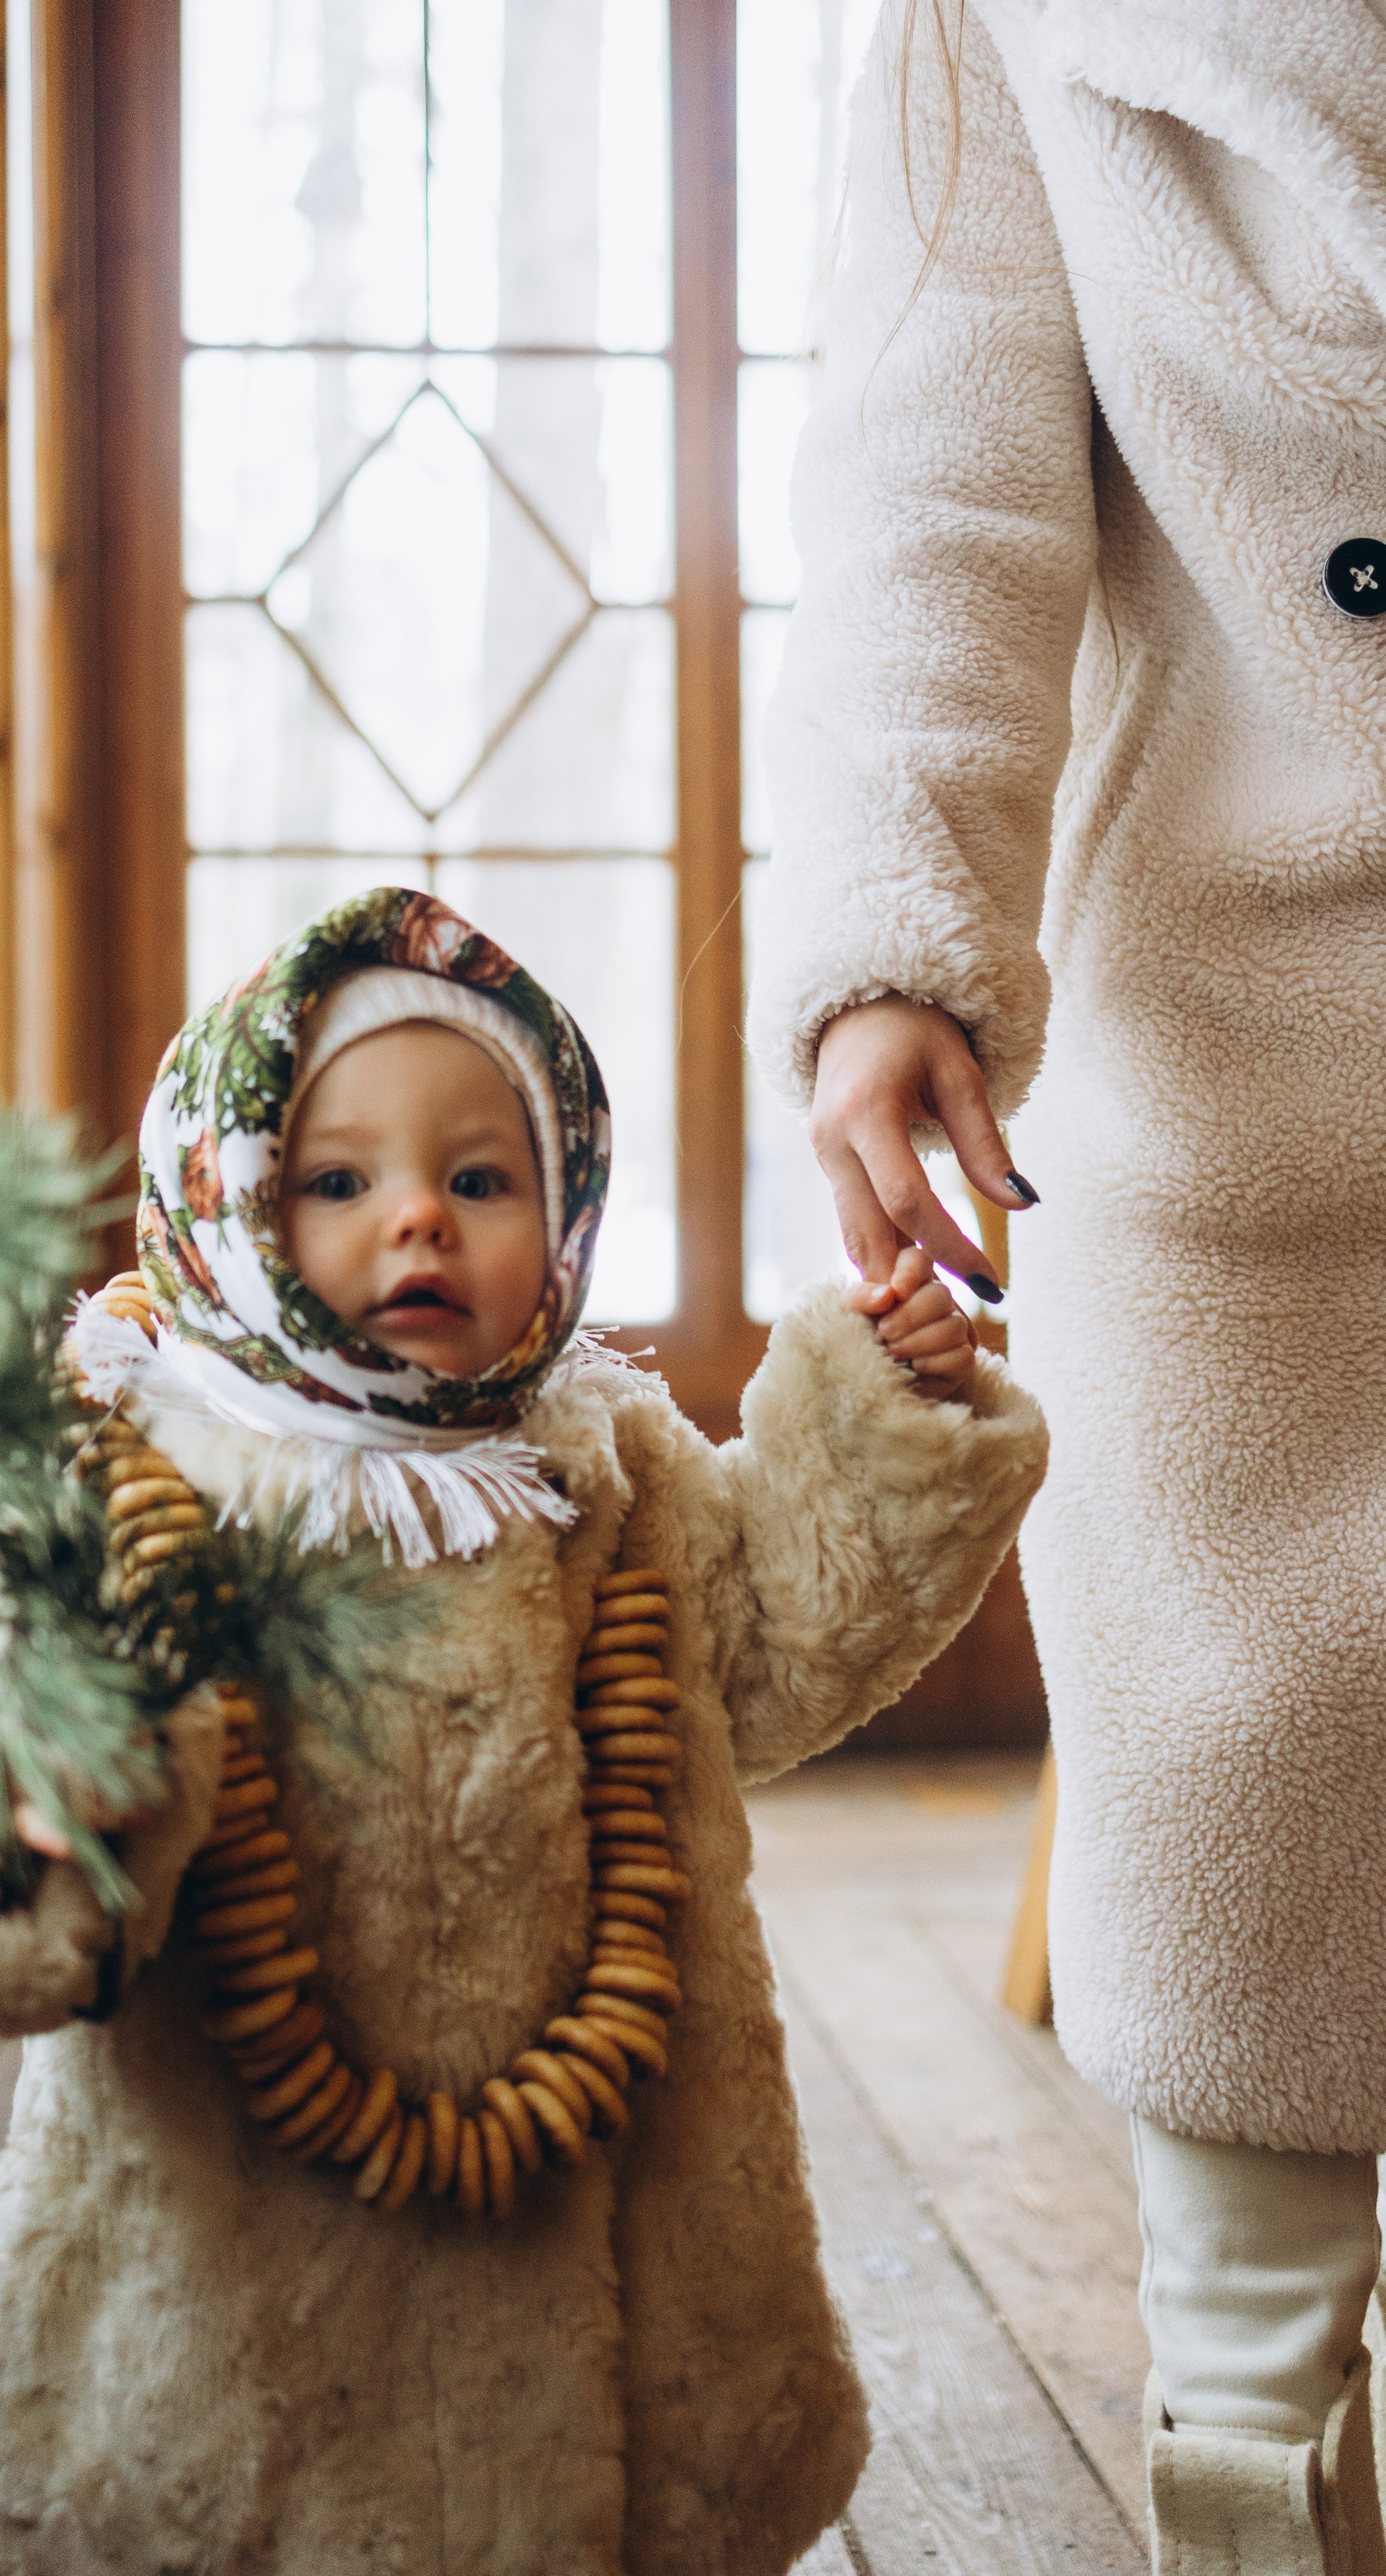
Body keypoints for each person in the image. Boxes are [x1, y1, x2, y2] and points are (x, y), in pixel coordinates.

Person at [0, 888, 1045, 2575]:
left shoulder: (598, 1458)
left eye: (480, 1180)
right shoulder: (121, 1462)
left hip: (628, 2276)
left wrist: (886, 1416)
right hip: (221, 2314)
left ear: (562, 1211)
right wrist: (23, 1777)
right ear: (227, 1203)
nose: (418, 1222)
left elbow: (770, 1640)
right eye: (337, 1183)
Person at [747, 1, 1386, 2566]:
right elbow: (937, 490)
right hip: (1233, 1040)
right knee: (1240, 1773)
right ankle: (1245, 2458)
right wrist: (901, 941)